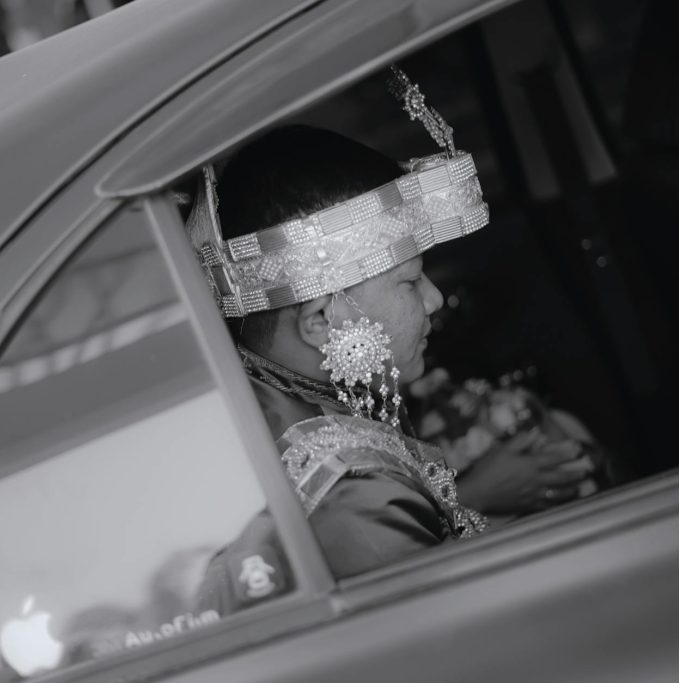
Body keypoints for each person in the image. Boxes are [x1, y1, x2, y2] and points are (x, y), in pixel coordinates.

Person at [192, 69, 595, 614]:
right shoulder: (354, 494)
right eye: (408, 282)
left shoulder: (275, 398)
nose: (433, 300)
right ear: (320, 321)